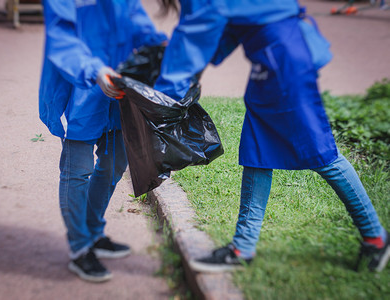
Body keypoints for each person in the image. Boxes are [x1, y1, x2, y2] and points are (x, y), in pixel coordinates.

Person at [155, 0, 389, 273]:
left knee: (320, 153)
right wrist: (194, 63)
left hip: (284, 61)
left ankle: (376, 236)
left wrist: (162, 92)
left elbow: (193, 33)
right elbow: (226, 29)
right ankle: (243, 247)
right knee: (258, 150)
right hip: (269, 62)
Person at [39, 0, 167, 282]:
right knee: (78, 170)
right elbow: (61, 38)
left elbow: (134, 19)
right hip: (80, 85)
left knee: (114, 164)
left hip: (120, 86)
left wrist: (161, 46)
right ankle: (80, 248)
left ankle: (93, 233)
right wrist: (94, 71)